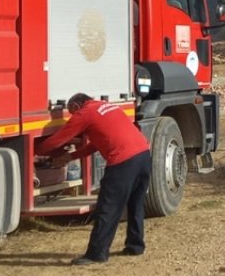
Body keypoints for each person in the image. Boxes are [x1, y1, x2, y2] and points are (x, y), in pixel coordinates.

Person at [36, 92, 152, 265]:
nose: (72, 116)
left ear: (76, 106)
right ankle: (136, 245)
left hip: (123, 161)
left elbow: (57, 140)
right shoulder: (108, 106)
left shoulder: (84, 113)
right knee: (135, 203)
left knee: (108, 207)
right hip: (143, 155)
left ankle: (97, 253)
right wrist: (71, 156)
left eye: (71, 113)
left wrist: (36, 151)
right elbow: (97, 143)